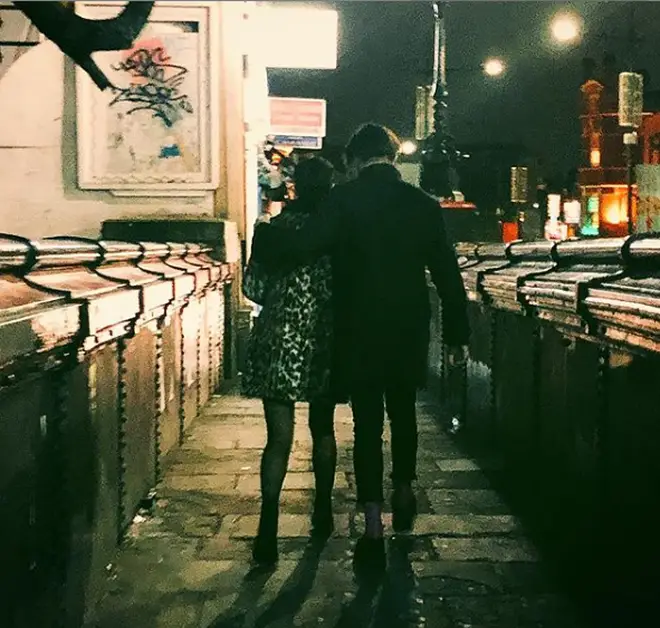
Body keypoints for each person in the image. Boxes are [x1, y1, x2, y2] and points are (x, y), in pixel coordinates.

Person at [252, 124, 469, 573]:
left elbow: (305, 245)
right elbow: (449, 275)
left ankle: (373, 527)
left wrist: (264, 235)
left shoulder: (343, 200)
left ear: (354, 160)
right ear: (392, 157)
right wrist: (456, 337)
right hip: (408, 328)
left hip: (360, 331)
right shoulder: (423, 205)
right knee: (404, 411)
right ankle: (405, 485)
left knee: (369, 426)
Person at [242, 156, 339, 565]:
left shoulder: (271, 231)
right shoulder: (337, 233)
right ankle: (322, 510)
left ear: (295, 186)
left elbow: (254, 288)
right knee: (323, 429)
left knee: (278, 439)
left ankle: (268, 527)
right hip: (325, 338)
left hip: (279, 338)